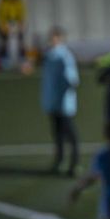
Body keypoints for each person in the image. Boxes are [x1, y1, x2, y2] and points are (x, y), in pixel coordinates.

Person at [39, 26, 79, 176]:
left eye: (55, 37)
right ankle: (59, 161)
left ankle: (74, 163)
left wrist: (67, 89)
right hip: (53, 102)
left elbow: (72, 79)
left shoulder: (65, 56)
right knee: (57, 134)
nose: (52, 40)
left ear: (60, 39)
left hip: (64, 103)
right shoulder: (49, 56)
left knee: (70, 134)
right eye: (51, 37)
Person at [0, 0, 27, 64]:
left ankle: (21, 57)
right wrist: (2, 25)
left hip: (16, 22)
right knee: (4, 42)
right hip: (6, 23)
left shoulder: (18, 1)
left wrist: (21, 23)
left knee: (20, 41)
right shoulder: (3, 2)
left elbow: (22, 13)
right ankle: (3, 59)